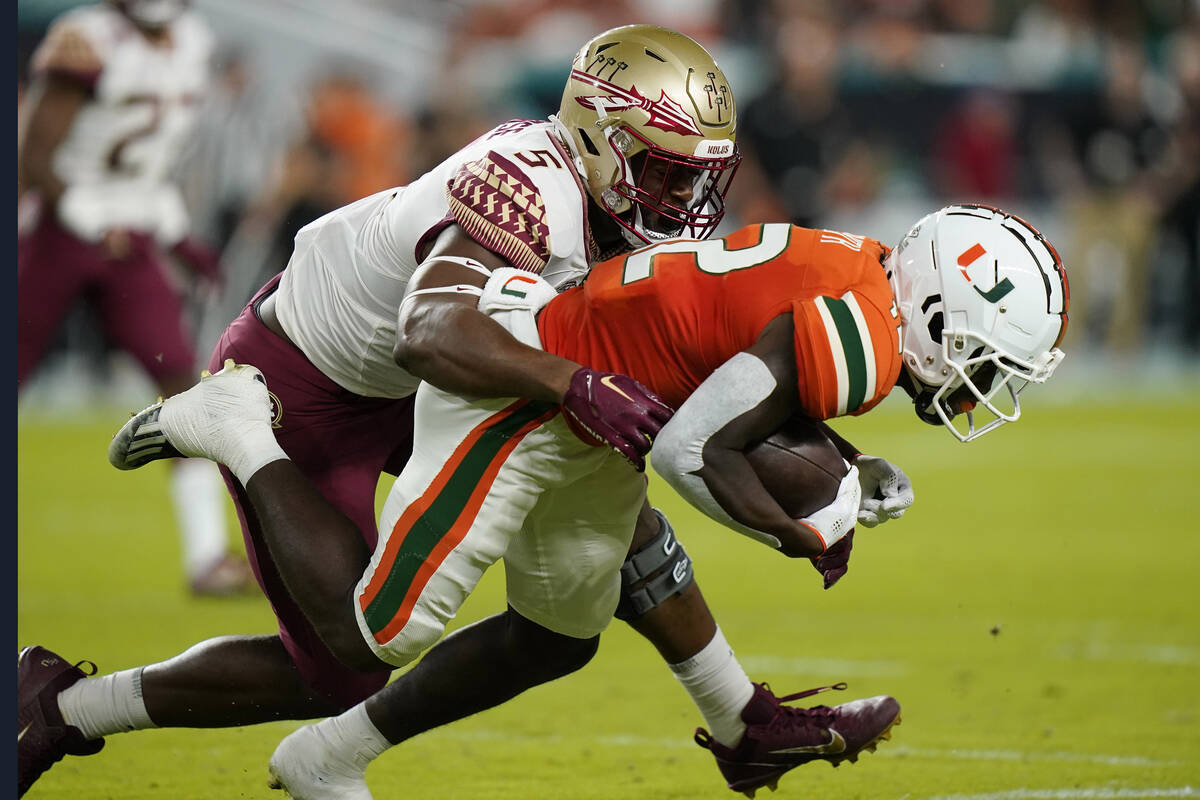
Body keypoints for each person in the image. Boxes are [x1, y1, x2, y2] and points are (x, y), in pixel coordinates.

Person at [20, 205, 1070, 797]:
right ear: (940, 308)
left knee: (561, 629)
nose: (988, 387)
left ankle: (327, 757)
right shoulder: (870, 337)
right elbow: (701, 449)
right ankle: (234, 430)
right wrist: (798, 530)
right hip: (526, 390)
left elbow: (729, 392)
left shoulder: (863, 278)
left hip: (601, 406)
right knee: (379, 628)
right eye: (989, 359)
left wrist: (841, 468)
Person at [16, 0, 251, 596]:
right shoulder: (88, 37)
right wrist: (94, 222)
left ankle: (207, 559)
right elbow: (33, 156)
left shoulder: (192, 41)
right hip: (60, 230)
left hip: (130, 234)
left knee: (181, 388)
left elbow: (148, 166)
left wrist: (172, 234)